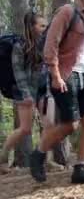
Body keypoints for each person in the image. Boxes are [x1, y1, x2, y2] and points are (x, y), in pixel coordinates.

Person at [29, 0, 84, 184]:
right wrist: (55, 75)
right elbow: (51, 44)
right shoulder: (68, 12)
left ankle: (80, 168)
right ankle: (38, 154)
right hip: (67, 74)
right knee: (70, 125)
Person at [0, 11, 46, 164]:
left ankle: (43, 161)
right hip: (23, 91)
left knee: (49, 125)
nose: (45, 28)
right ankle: (3, 157)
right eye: (42, 26)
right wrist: (27, 95)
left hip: (42, 89)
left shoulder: (44, 43)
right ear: (32, 27)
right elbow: (18, 72)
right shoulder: (20, 46)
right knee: (25, 129)